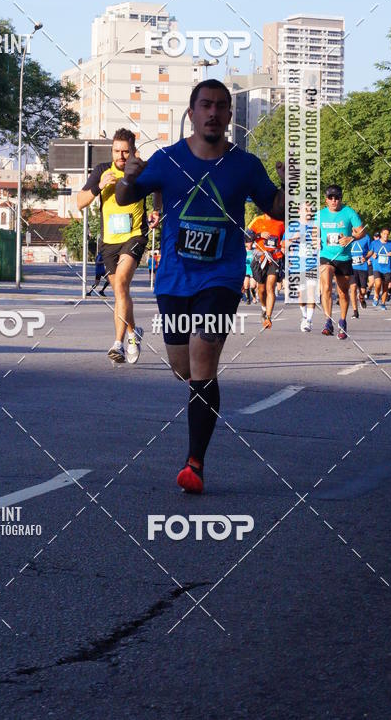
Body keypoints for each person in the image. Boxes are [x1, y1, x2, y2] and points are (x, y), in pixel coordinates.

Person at [115, 79, 285, 494]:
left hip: (221, 276)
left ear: (230, 116)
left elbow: (277, 208)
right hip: (174, 278)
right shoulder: (168, 159)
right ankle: (198, 399)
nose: (213, 113)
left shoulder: (245, 165)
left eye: (221, 107)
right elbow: (124, 197)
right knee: (184, 367)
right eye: (205, 105)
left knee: (203, 358)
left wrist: (291, 182)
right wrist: (129, 176)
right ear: (191, 114)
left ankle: (195, 464)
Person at [77, 128, 161, 364]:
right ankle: (134, 333)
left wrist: (156, 210)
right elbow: (79, 203)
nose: (121, 156)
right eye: (116, 151)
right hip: (108, 242)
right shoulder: (102, 171)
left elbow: (158, 187)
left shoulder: (141, 169)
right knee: (120, 293)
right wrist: (98, 187)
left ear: (133, 151)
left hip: (134, 236)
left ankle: (118, 345)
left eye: (125, 152)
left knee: (122, 283)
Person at [318, 185, 366, 339]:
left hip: (344, 258)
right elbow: (314, 232)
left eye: (336, 197)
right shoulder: (320, 214)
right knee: (325, 287)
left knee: (342, 293)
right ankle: (328, 322)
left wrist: (351, 238)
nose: (334, 201)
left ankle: (343, 321)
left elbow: (362, 231)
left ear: (341, 199)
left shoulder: (349, 212)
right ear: (326, 200)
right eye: (330, 198)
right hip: (326, 256)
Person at [282, 202, 318, 332]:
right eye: (306, 209)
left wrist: (318, 243)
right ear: (299, 211)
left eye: (310, 209)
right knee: (301, 295)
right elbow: (283, 245)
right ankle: (304, 315)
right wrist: (293, 238)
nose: (308, 211)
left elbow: (321, 243)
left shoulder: (315, 226)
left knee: (311, 292)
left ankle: (308, 320)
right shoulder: (292, 227)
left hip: (312, 264)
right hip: (297, 266)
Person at [248, 211, 285, 329]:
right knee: (262, 289)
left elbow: (286, 238)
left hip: (275, 259)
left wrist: (285, 244)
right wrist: (259, 235)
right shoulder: (257, 220)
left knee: (270, 287)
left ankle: (268, 317)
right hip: (260, 258)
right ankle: (264, 308)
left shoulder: (281, 222)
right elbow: (246, 236)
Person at [349, 230, 374, 316]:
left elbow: (371, 250)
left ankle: (361, 298)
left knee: (363, 291)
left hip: (363, 267)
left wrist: (366, 257)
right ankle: (355, 311)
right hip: (351, 267)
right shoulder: (348, 236)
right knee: (353, 288)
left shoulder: (366, 237)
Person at [371, 228, 391, 310]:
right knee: (378, 283)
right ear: (381, 234)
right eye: (384, 234)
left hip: (387, 269)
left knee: (385, 287)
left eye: (387, 234)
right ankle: (376, 295)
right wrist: (372, 255)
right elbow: (370, 252)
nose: (386, 236)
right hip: (377, 267)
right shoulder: (374, 243)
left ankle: (383, 303)